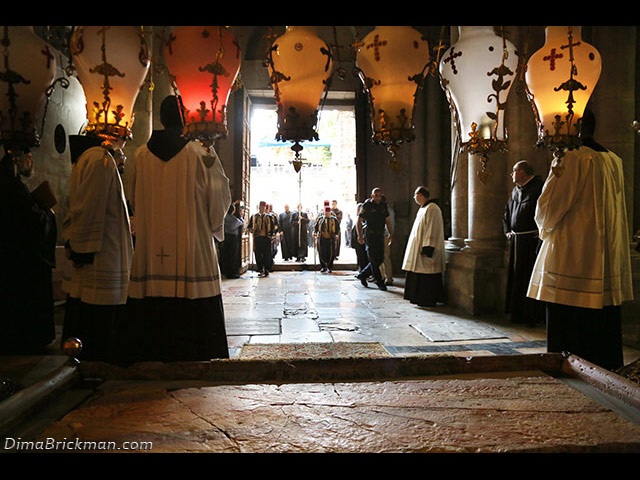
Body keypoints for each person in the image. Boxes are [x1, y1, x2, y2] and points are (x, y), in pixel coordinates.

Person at [125, 94, 232, 362]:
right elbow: (220, 198)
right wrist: (212, 227)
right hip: (192, 249)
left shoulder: (139, 155)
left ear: (161, 119)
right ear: (186, 118)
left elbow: (132, 198)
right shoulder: (202, 153)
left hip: (150, 251)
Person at [527, 108, 634, 371]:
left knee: (569, 332)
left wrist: (543, 228)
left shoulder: (571, 158)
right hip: (604, 259)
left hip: (572, 259)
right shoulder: (613, 159)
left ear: (568, 128)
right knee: (601, 330)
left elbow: (549, 208)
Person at [61, 133, 133, 362]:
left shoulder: (98, 158)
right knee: (97, 310)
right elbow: (88, 207)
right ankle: (97, 361)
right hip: (101, 254)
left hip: (103, 250)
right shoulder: (98, 159)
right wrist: (83, 249)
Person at [0, 147, 57, 354]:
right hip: (21, 261)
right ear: (17, 158)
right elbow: (29, 222)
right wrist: (47, 213)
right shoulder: (12, 186)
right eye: (28, 156)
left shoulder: (12, 183)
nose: (31, 161)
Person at [503, 160, 545, 326]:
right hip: (516, 240)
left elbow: (546, 211)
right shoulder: (515, 191)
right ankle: (516, 313)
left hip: (530, 242)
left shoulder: (538, 188)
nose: (512, 174)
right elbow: (506, 212)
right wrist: (507, 230)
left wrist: (541, 229)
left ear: (523, 172)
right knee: (516, 278)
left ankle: (531, 316)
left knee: (528, 277)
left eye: (515, 170)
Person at [402, 186, 445, 307]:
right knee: (419, 274)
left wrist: (428, 246)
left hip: (427, 249)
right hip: (419, 248)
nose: (414, 198)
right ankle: (419, 298)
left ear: (421, 195)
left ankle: (427, 299)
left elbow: (431, 228)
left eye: (415, 195)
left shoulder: (432, 208)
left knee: (427, 275)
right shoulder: (423, 208)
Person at [356, 187, 393, 291]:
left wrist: (390, 233)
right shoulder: (367, 205)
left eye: (379, 196)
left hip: (380, 235)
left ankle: (363, 274)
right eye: (375, 196)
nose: (378, 198)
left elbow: (388, 221)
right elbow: (359, 221)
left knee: (380, 259)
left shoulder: (383, 206)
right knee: (372, 258)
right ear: (372, 196)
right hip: (370, 235)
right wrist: (359, 235)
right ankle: (379, 282)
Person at [248, 200, 277, 277]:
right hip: (257, 238)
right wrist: (252, 230)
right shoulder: (254, 217)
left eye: (263, 207)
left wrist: (273, 236)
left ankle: (266, 269)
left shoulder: (269, 217)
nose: (261, 209)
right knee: (258, 254)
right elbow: (249, 227)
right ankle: (260, 269)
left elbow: (273, 227)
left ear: (265, 208)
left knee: (267, 255)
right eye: (260, 207)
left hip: (266, 238)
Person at [314, 203, 340, 273]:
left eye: (328, 212)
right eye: (326, 212)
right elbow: (316, 227)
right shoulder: (320, 219)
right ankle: (323, 267)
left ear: (330, 212)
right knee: (321, 252)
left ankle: (330, 267)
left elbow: (337, 228)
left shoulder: (334, 219)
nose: (327, 214)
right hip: (322, 238)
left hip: (330, 238)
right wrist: (315, 233)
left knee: (330, 253)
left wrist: (336, 235)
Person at [222, 202, 245, 278]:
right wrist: (241, 215)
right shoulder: (234, 219)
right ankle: (233, 273)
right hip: (232, 239)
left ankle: (226, 272)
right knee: (233, 256)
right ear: (233, 211)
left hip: (225, 237)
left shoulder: (224, 218)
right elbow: (242, 223)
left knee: (226, 255)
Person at [351, 203, 368, 274]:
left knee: (363, 257)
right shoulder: (357, 217)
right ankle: (360, 268)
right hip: (357, 241)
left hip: (361, 241)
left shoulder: (364, 218)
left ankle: (363, 271)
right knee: (359, 256)